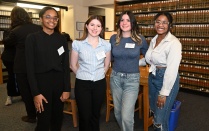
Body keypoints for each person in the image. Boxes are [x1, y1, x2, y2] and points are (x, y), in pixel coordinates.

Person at [25, 6, 70, 131]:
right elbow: (29, 68)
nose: (52, 20)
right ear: (40, 19)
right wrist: (35, 93)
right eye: (48, 17)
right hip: (41, 83)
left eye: (55, 18)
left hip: (58, 82)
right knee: (43, 120)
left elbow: (65, 66)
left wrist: (66, 89)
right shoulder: (32, 38)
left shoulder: (61, 39)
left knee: (57, 118)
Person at [70, 15, 111, 131]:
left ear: (101, 28)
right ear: (87, 26)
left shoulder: (106, 45)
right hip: (82, 84)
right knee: (84, 115)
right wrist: (83, 74)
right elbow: (72, 65)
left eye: (98, 25)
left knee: (95, 115)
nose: (95, 28)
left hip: (99, 83)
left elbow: (107, 64)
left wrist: (100, 73)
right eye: (92, 25)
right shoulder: (78, 44)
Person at [109, 10, 148, 131]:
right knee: (117, 113)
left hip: (132, 80)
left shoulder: (140, 39)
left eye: (128, 20)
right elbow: (109, 58)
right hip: (115, 78)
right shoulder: (113, 38)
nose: (124, 23)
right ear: (119, 23)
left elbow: (149, 58)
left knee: (126, 116)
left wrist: (138, 62)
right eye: (122, 20)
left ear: (133, 23)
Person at [3, 6, 41, 123]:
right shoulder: (39, 28)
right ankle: (41, 113)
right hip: (37, 64)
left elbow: (7, 43)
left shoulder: (15, 31)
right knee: (38, 89)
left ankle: (31, 116)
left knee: (25, 92)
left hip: (22, 66)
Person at [145, 12, 182, 131]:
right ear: (154, 24)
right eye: (158, 22)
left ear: (170, 25)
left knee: (160, 120)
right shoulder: (154, 39)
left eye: (164, 22)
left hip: (166, 81)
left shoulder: (174, 43)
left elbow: (171, 70)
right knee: (155, 112)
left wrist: (163, 93)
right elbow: (150, 59)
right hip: (153, 77)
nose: (161, 25)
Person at [1, 29, 20, 106]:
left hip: (19, 57)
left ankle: (21, 93)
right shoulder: (8, 31)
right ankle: (10, 96)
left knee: (22, 77)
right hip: (9, 58)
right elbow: (6, 42)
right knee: (11, 77)